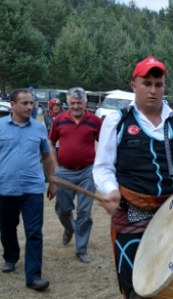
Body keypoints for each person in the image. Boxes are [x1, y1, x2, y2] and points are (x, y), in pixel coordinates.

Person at [93, 56, 173, 298]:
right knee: (137, 287)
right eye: (146, 83)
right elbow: (102, 168)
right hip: (131, 213)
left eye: (158, 85)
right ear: (134, 86)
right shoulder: (117, 122)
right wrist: (109, 189)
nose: (153, 90)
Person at [0, 89, 57, 291]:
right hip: (5, 188)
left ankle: (33, 276)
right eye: (24, 103)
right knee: (7, 227)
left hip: (33, 189)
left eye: (32, 103)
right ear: (12, 104)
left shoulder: (39, 128)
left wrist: (53, 181)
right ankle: (10, 257)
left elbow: (47, 157)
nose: (30, 107)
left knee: (34, 233)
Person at [49, 87, 103, 263]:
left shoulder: (94, 121)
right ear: (68, 103)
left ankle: (81, 249)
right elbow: (51, 142)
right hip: (64, 171)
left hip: (87, 172)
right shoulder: (59, 120)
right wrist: (55, 167)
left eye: (79, 103)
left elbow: (104, 144)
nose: (76, 106)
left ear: (85, 103)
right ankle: (69, 228)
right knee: (63, 209)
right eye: (72, 103)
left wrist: (100, 166)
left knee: (84, 212)